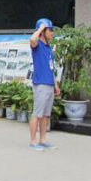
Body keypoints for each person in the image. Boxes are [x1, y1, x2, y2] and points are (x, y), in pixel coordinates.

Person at [29, 18, 61, 151]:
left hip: (49, 84)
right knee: (37, 113)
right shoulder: (37, 46)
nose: (52, 33)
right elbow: (32, 39)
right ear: (42, 32)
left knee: (45, 115)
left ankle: (43, 140)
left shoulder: (48, 48)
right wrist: (41, 28)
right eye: (50, 30)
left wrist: (55, 84)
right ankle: (33, 142)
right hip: (40, 84)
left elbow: (51, 68)